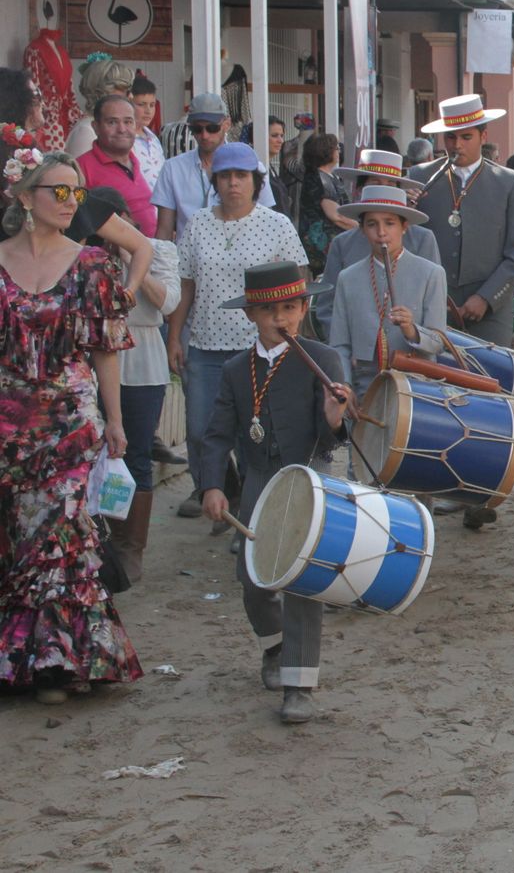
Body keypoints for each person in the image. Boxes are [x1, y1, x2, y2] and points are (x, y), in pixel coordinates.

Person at [0, 150, 140, 702]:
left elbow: (106, 349)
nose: (68, 202)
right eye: (56, 191)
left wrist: (116, 420)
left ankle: (59, 664)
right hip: (9, 422)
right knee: (19, 538)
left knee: (60, 540)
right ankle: (30, 658)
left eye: (75, 192)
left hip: (70, 424)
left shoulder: (91, 266)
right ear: (23, 196)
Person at [200, 261, 351, 725]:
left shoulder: (322, 359)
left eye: (290, 307)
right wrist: (210, 485)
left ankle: (299, 685)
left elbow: (334, 439)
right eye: (269, 311)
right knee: (253, 581)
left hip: (311, 479)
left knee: (305, 583)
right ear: (251, 315)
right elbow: (217, 434)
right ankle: (274, 645)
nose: (280, 318)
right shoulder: (233, 369)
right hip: (261, 484)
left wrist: (333, 415)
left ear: (305, 308)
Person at [413, 94, 514, 529]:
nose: (457, 144)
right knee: (435, 394)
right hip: (435, 306)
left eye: (466, 136)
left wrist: (487, 297)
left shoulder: (507, 182)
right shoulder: (420, 180)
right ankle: (434, 484)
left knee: (488, 398)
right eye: (451, 136)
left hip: (490, 307)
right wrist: (433, 296)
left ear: (484, 137)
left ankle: (481, 493)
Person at [168, 143, 307, 519]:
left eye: (241, 176)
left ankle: (250, 511)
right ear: (215, 181)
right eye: (225, 176)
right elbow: (186, 284)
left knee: (253, 433)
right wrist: (175, 337)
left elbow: (298, 285)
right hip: (205, 345)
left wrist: (292, 337)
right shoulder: (198, 223)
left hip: (258, 347)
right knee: (199, 431)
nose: (233, 184)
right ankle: (220, 492)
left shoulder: (276, 224)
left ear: (256, 182)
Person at [86, 186, 179, 584]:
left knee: (136, 453)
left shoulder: (158, 250)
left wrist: (129, 255)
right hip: (94, 361)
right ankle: (97, 541)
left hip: (143, 361)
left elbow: (168, 303)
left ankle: (130, 547)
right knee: (93, 453)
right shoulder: (86, 256)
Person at [327, 185, 448, 397]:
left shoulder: (431, 274)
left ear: (404, 226)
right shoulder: (348, 277)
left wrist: (411, 329)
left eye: (390, 223)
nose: (381, 233)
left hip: (417, 390)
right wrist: (345, 386)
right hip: (364, 388)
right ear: (362, 229)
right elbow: (340, 344)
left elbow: (439, 342)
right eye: (372, 224)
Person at [314, 150, 441, 338]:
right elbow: (327, 308)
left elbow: (434, 308)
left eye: (391, 184)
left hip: (410, 353)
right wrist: (345, 347)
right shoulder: (343, 244)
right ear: (360, 189)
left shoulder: (422, 239)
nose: (381, 232)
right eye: (375, 183)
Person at [151, 92, 276, 242]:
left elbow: (268, 223)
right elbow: (164, 230)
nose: (204, 135)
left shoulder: (253, 167)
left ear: (227, 124)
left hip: (243, 259)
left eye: (212, 128)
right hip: (188, 262)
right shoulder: (172, 168)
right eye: (197, 129)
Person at [77, 95, 156, 238]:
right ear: (96, 127)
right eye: (112, 122)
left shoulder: (137, 159)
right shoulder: (81, 168)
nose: (122, 129)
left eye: (128, 122)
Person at [297, 133, 353, 274]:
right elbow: (336, 216)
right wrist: (361, 227)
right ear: (325, 151)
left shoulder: (329, 176)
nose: (339, 151)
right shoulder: (320, 179)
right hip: (322, 244)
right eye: (336, 148)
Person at [64, 56, 133, 159]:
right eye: (126, 91)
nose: (131, 96)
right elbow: (81, 173)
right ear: (105, 92)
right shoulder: (85, 131)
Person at [128, 74, 166, 194]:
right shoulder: (126, 138)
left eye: (152, 105)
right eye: (141, 104)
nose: (148, 110)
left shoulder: (153, 138)